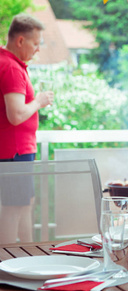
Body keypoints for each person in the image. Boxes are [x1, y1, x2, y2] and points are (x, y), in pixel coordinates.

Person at [0, 14, 54, 243]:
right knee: (13, 212)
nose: (38, 49)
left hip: (16, 152)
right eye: (36, 43)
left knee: (23, 208)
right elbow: (16, 114)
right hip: (14, 153)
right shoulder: (10, 67)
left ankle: (28, 257)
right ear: (20, 41)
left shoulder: (9, 63)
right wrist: (39, 101)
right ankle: (9, 268)